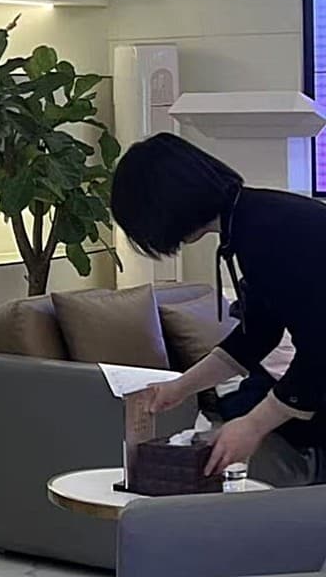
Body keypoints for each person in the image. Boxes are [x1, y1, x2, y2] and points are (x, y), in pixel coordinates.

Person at [111, 132, 326, 478]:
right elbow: (256, 334)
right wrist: (179, 388)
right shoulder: (256, 220)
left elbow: (319, 350)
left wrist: (253, 425)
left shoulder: (266, 233)